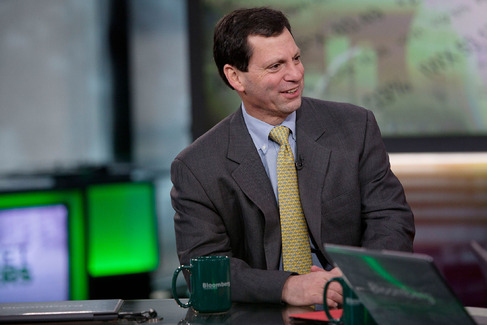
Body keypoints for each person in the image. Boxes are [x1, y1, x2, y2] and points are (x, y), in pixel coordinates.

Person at [171, 7, 415, 307]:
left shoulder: (354, 128)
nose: (295, 74)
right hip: (263, 312)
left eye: (296, 59)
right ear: (235, 77)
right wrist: (288, 288)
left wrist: (359, 274)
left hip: (350, 303)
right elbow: (205, 270)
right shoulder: (197, 167)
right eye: (276, 66)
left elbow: (390, 218)